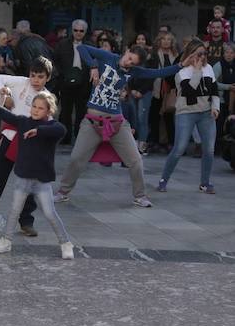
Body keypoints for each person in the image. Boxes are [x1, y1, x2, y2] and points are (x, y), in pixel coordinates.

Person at [54, 42, 192, 207]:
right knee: (76, 158)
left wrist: (181, 65)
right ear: (126, 51)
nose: (128, 63)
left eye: (132, 62)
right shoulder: (108, 57)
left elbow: (158, 72)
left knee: (135, 160)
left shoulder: (134, 72)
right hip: (92, 121)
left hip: (116, 122)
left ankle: (140, 196)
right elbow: (82, 48)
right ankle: (63, 192)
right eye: (129, 58)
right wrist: (93, 65)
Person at [0, 90, 72, 259]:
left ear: (48, 111)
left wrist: (38, 131)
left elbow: (61, 129)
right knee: (14, 210)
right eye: (34, 106)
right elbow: (4, 114)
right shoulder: (23, 122)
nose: (36, 110)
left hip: (41, 181)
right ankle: (6, 241)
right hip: (23, 177)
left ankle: (65, 243)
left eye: (40, 108)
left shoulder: (51, 128)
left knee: (49, 213)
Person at [0, 56, 54, 235]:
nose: (36, 80)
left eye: (40, 76)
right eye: (33, 75)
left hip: (31, 142)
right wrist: (3, 92)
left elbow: (48, 120)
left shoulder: (47, 97)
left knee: (28, 183)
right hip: (10, 136)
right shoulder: (21, 82)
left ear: (47, 77)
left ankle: (26, 221)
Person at [157, 40, 219, 194]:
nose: (202, 57)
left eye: (204, 53)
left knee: (209, 149)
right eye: (199, 54)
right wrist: (197, 70)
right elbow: (189, 91)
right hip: (186, 112)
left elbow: (215, 91)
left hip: (206, 113)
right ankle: (163, 180)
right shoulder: (182, 72)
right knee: (179, 148)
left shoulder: (209, 68)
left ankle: (205, 183)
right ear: (190, 54)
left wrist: (215, 107)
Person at [54, 19, 91, 144]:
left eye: (81, 31)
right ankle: (66, 137)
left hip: (84, 83)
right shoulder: (62, 44)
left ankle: (79, 137)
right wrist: (61, 76)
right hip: (66, 82)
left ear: (85, 32)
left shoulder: (90, 45)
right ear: (72, 30)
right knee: (66, 111)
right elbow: (55, 61)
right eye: (76, 30)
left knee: (81, 111)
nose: (78, 33)